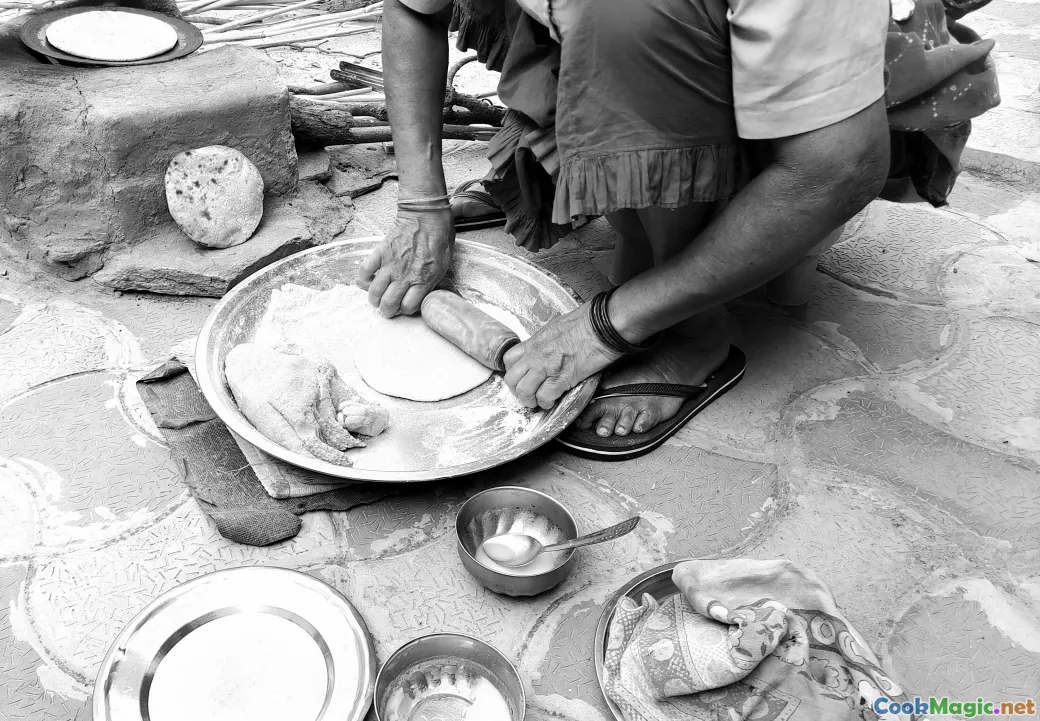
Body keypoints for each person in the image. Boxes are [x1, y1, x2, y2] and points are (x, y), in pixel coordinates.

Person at [356, 0, 893, 458]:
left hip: (810, 120)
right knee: (602, 25)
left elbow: (840, 168)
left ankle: (696, 333)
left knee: (627, 18)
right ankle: (630, 221)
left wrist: (608, 324)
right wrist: (422, 203)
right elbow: (412, 9)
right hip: (629, 47)